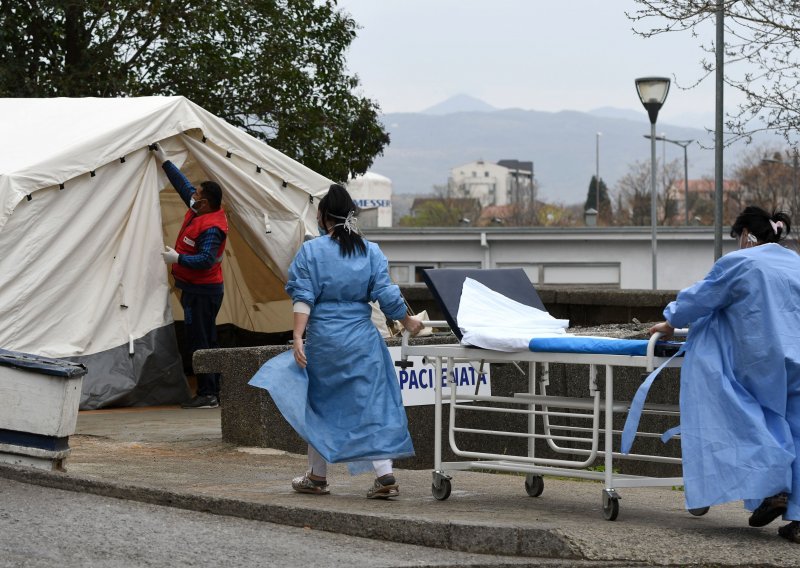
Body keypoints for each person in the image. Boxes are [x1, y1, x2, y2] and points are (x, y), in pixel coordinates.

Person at [251, 184, 422, 499]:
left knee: (318, 405)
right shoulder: (370, 251)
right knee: (373, 404)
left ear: (322, 216)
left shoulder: (311, 251)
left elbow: (303, 298)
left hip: (325, 340)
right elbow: (386, 294)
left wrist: (298, 336)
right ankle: (385, 476)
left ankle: (317, 476)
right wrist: (408, 320)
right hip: (363, 340)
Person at [649, 205, 800, 543]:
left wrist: (671, 321)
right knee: (798, 431)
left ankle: (773, 487)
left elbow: (701, 298)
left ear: (745, 236)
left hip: (763, 360)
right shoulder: (797, 263)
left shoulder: (741, 263)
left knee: (751, 419)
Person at [152, 143, 228, 409]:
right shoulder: (201, 209)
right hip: (197, 289)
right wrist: (165, 162)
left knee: (201, 340)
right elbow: (184, 185)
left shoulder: (212, 227)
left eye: (197, 194)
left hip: (203, 292)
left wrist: (179, 259)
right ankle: (216, 391)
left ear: (205, 201)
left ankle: (208, 394)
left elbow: (206, 259)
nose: (192, 195)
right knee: (205, 338)